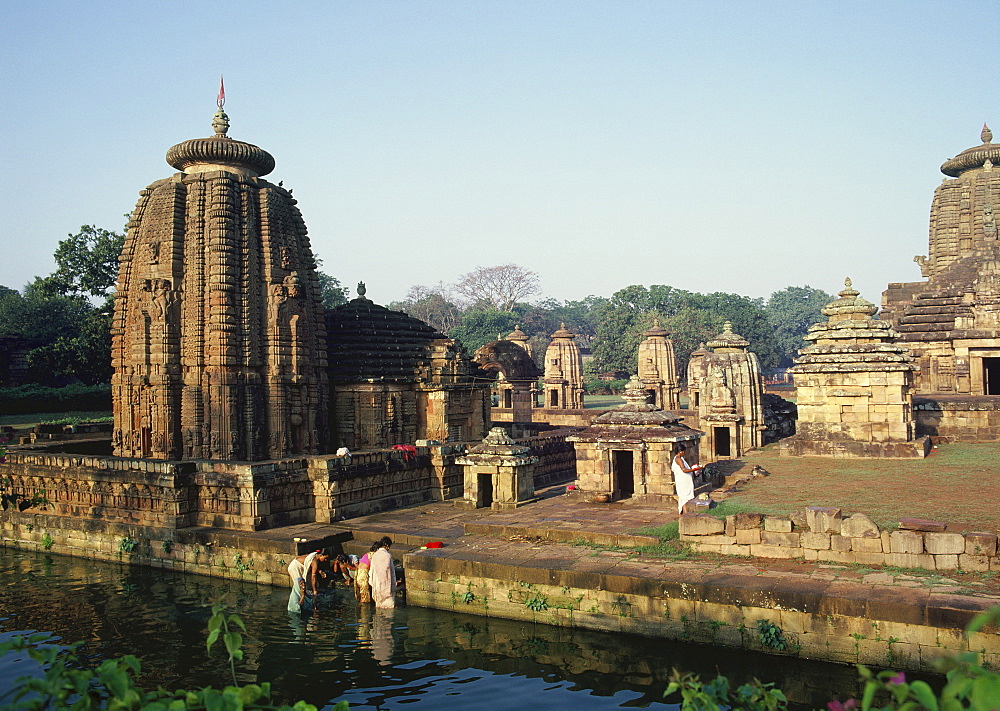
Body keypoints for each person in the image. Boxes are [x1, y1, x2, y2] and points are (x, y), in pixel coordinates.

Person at [286, 549, 330, 614]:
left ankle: (305, 601)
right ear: (320, 555)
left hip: (295, 564)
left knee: (302, 587)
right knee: (299, 586)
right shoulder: (314, 561)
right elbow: (313, 577)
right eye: (325, 558)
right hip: (295, 568)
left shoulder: (314, 555)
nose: (325, 560)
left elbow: (310, 566)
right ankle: (298, 605)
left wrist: (319, 571)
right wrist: (315, 590)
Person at [671, 443, 702, 515]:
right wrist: (696, 469)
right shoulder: (678, 459)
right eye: (684, 451)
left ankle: (684, 514)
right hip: (683, 482)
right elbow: (684, 470)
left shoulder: (680, 459)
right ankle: (685, 515)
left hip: (685, 481)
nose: (685, 453)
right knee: (684, 498)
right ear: (680, 451)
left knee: (683, 499)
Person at [369, 536, 397, 609]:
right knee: (389, 608)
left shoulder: (375, 555)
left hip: (377, 585)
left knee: (379, 608)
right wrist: (394, 585)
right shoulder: (388, 556)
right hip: (387, 587)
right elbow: (391, 572)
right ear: (387, 545)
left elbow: (371, 571)